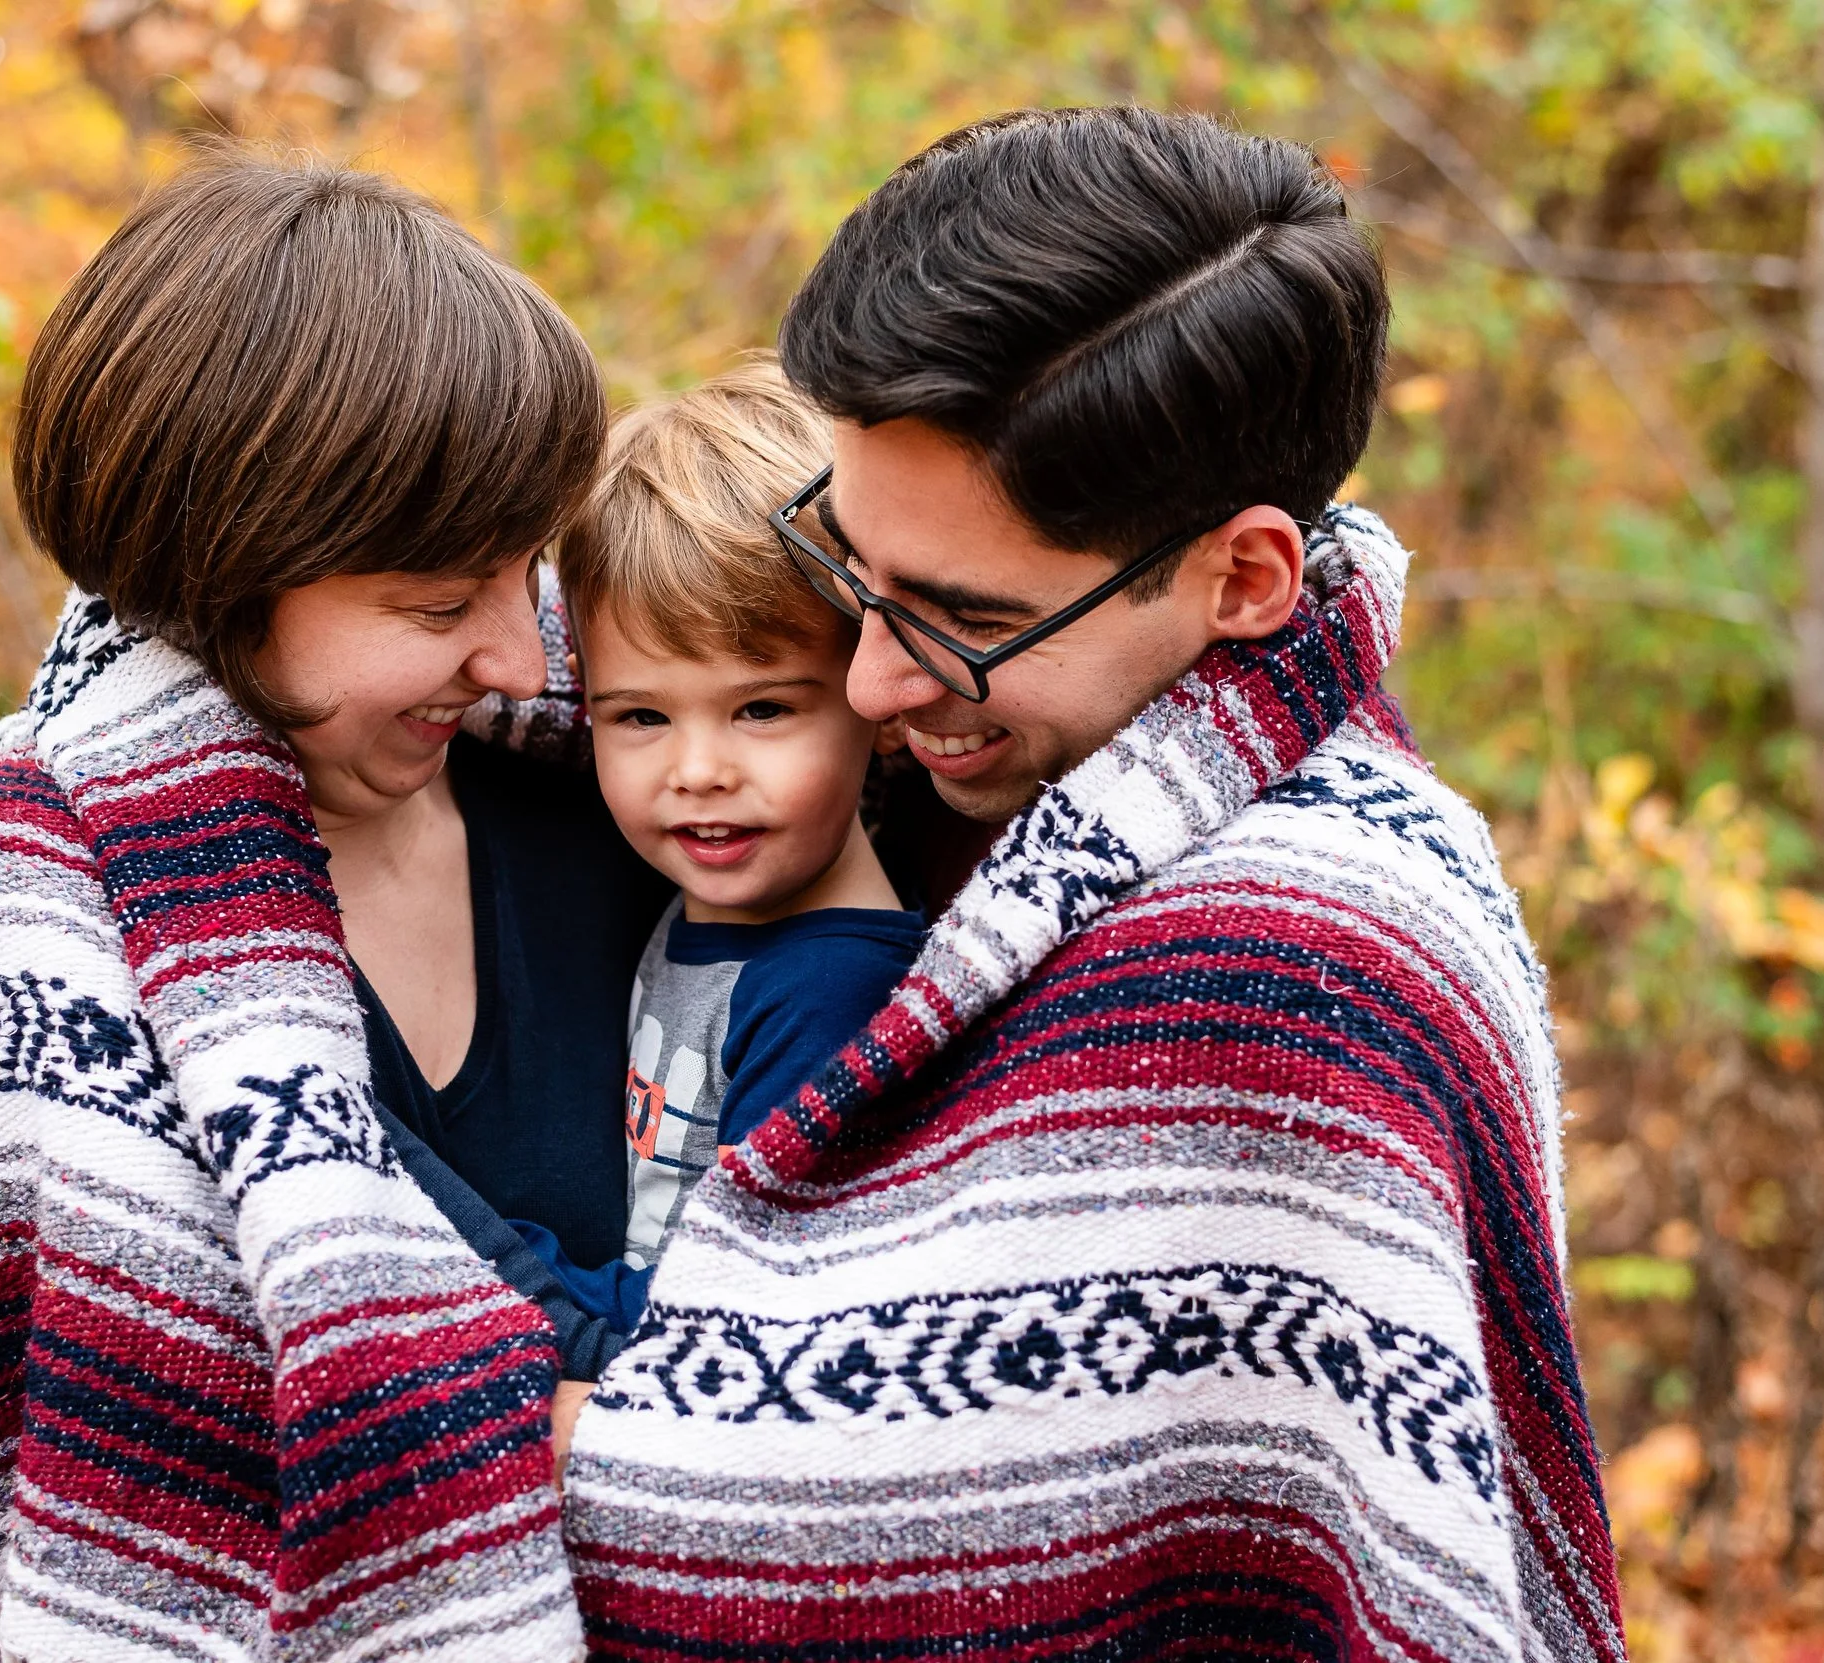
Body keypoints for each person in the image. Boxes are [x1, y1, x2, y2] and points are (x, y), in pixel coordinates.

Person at [561, 109, 1629, 1663]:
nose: (864, 681)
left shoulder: (1292, 966)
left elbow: (865, 1521)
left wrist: (477, 1408)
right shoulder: (994, 752)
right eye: (847, 566)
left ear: (1247, 578)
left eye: (957, 615)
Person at [0, 151, 656, 1663]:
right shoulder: (19, 919)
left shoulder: (629, 790)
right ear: (227, 570)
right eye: (434, 601)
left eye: (524, 565)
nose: (521, 658)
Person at [503, 365, 924, 1335]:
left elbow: (737, 1312)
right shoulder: (712, 914)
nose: (697, 770)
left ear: (879, 693)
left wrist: (494, 1260)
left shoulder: (829, 992)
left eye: (762, 707)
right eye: (641, 714)